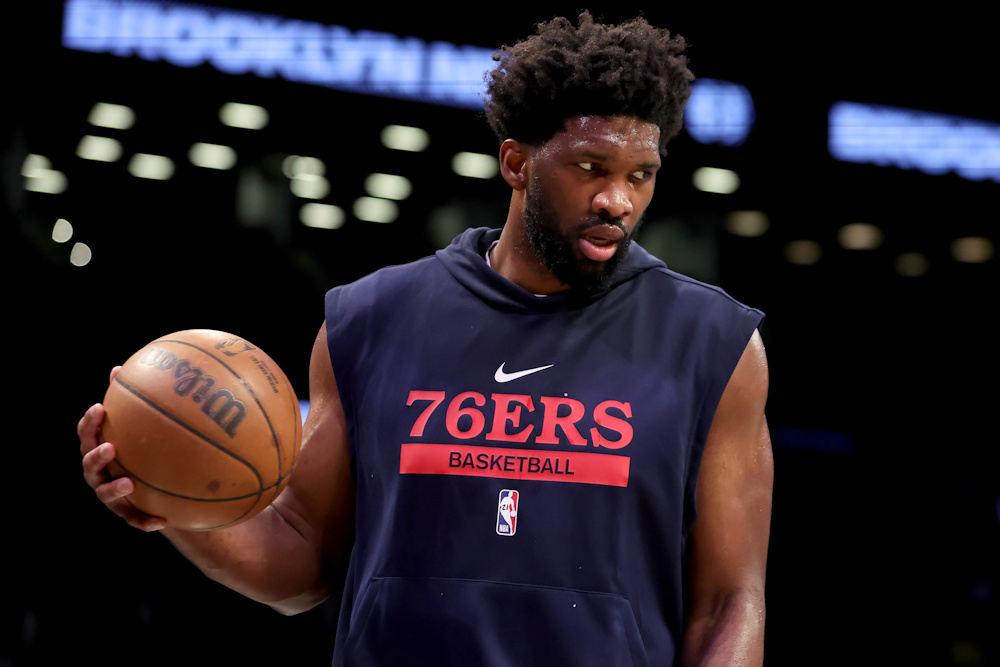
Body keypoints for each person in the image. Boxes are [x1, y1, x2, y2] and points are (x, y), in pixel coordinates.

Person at [79, 11, 773, 666]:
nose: (616, 200)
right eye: (591, 167)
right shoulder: (369, 318)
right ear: (516, 163)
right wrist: (166, 499)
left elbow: (729, 604)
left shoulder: (714, 344)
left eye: (639, 176)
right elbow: (301, 562)